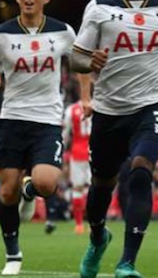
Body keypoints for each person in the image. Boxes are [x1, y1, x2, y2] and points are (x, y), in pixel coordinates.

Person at [0, 0, 90, 275]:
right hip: (12, 120)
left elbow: (80, 65)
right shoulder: (2, 34)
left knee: (47, 184)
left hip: (47, 120)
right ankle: (13, 255)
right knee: (6, 193)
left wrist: (86, 98)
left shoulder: (63, 31)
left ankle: (31, 192)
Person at [70, 0, 158, 278]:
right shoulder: (100, 7)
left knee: (140, 172)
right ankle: (97, 237)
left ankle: (127, 263)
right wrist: (88, 60)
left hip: (150, 105)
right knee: (101, 186)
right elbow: (76, 56)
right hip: (108, 111)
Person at [63, 100, 92, 235]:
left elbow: (65, 133)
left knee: (77, 188)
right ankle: (93, 223)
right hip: (94, 151)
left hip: (77, 152)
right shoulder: (97, 107)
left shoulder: (71, 109)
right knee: (94, 188)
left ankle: (79, 224)